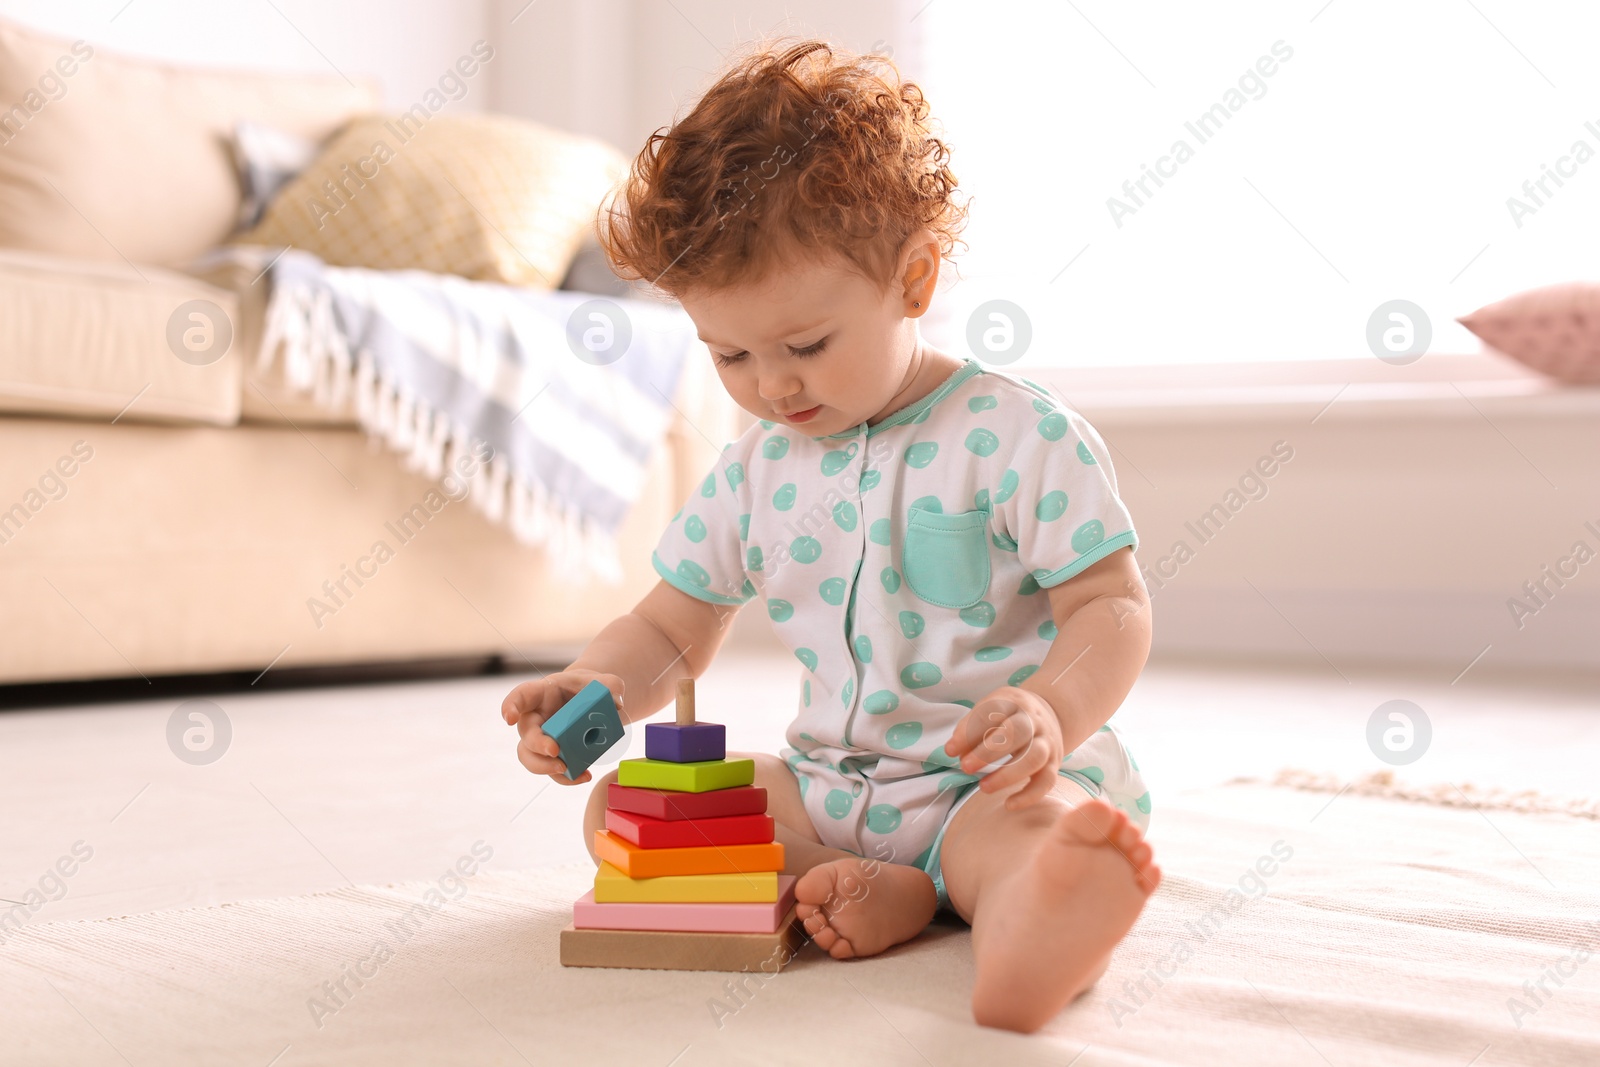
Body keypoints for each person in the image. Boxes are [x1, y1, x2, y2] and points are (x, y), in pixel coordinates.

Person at [502, 37, 1160, 1034]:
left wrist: (1050, 711)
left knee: (1032, 836)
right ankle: (848, 882)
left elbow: (1109, 604)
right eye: (728, 352)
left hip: (983, 781)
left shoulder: (1016, 433)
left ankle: (1039, 921)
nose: (772, 385)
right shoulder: (757, 465)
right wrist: (592, 687)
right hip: (826, 789)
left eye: (805, 345)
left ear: (914, 277)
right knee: (629, 813)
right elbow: (673, 625)